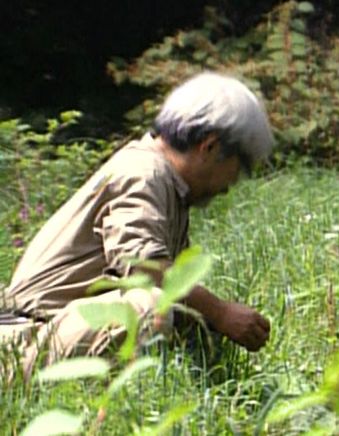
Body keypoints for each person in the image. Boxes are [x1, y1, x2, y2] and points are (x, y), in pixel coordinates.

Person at [0, 71, 274, 378]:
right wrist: (220, 312)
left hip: (48, 331)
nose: (232, 184)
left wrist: (212, 319)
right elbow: (144, 269)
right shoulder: (143, 174)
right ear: (209, 147)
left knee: (190, 318)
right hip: (22, 342)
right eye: (239, 169)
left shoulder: (167, 184)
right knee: (150, 306)